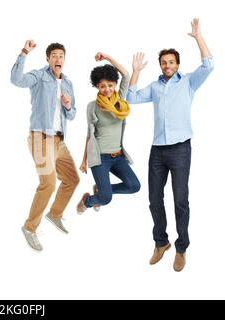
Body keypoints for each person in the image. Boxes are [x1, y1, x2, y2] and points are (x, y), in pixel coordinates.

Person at [127, 18, 214, 272]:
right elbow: (130, 98)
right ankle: (161, 242)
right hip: (157, 151)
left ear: (177, 65)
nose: (167, 65)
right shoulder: (155, 87)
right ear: (160, 65)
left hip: (179, 150)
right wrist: (135, 72)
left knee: (180, 200)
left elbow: (209, 65)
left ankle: (182, 247)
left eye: (171, 62)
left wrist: (198, 37)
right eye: (164, 62)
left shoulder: (187, 82)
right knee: (154, 199)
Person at [11, 40, 79, 251]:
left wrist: (68, 105)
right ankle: (30, 227)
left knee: (72, 179)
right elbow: (16, 80)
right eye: (54, 56)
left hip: (59, 140)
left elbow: (73, 114)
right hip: (40, 138)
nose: (58, 59)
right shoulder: (39, 76)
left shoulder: (67, 83)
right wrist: (24, 52)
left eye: (61, 56)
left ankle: (55, 214)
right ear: (48, 59)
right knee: (48, 183)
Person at [77, 53, 140, 214]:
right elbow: (89, 135)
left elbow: (125, 74)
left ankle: (102, 190)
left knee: (134, 186)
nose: (107, 89)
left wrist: (108, 58)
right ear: (97, 86)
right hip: (99, 158)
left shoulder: (120, 101)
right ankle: (88, 201)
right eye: (102, 86)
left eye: (111, 85)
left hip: (118, 156)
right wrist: (84, 160)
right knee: (105, 199)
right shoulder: (92, 106)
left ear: (115, 85)